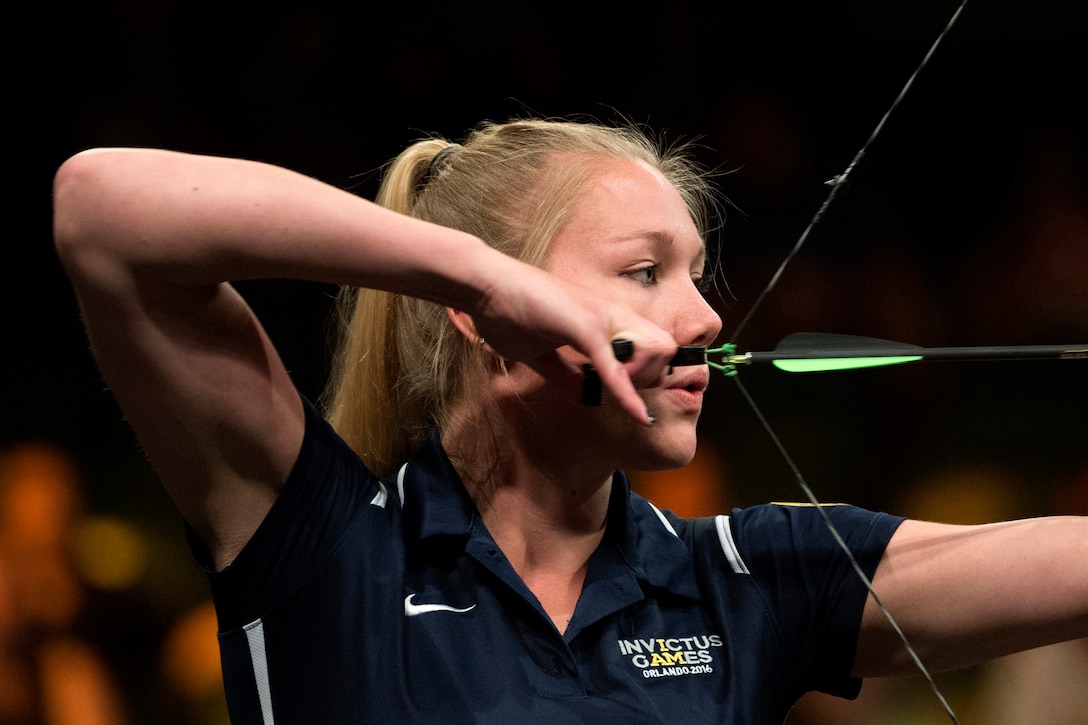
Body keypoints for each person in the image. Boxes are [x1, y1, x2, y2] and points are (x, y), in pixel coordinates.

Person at [52, 118, 1086, 724]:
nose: (705, 316)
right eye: (644, 273)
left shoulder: (740, 580)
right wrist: (476, 269)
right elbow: (98, 205)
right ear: (486, 312)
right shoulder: (327, 540)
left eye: (696, 272)